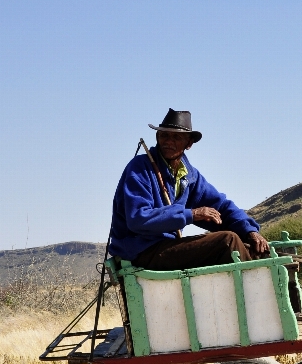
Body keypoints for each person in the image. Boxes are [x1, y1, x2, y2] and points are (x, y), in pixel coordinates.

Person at [108, 108, 270, 270]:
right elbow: (138, 218)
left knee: (254, 247)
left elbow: (221, 206)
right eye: (164, 135)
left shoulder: (189, 175)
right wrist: (191, 214)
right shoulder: (140, 168)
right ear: (157, 137)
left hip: (166, 246)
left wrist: (250, 231)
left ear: (189, 143)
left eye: (176, 137)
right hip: (140, 251)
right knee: (227, 241)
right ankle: (257, 288)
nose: (168, 141)